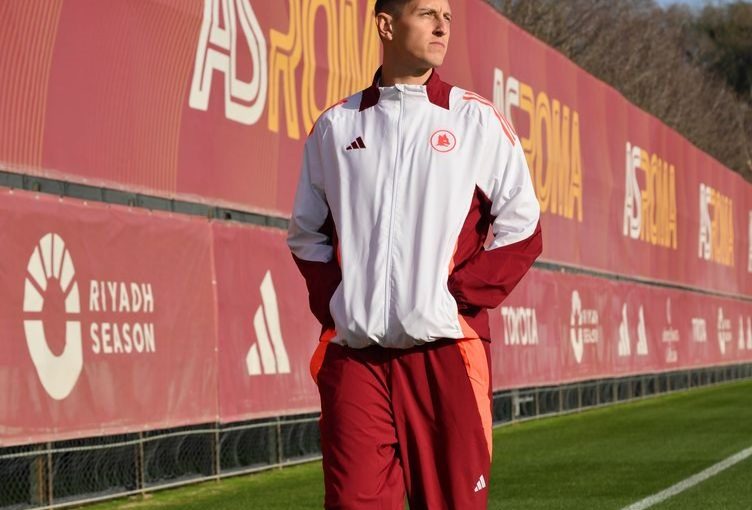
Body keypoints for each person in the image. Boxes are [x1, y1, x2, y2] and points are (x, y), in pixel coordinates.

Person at [287, 0, 542, 507]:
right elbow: (306, 233)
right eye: (427, 14)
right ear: (386, 24)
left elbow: (524, 227)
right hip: (356, 358)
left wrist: (455, 299)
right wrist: (337, 304)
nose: (442, 26)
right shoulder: (336, 126)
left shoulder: (474, 119)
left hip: (445, 352)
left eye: (447, 16)